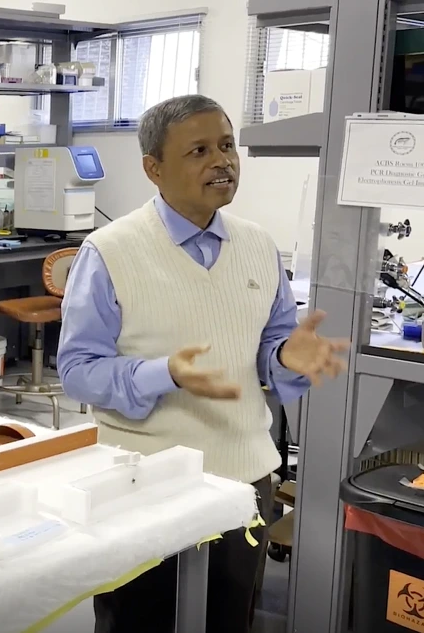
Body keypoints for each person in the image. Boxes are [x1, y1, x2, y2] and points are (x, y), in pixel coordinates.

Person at [56, 94, 349, 633]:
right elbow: (77, 369)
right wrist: (163, 374)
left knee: (227, 617)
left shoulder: (259, 245)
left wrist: (285, 356)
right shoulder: (110, 251)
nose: (222, 161)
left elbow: (272, 347)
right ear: (154, 168)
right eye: (198, 150)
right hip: (141, 479)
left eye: (227, 145)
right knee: (136, 619)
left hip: (243, 478)